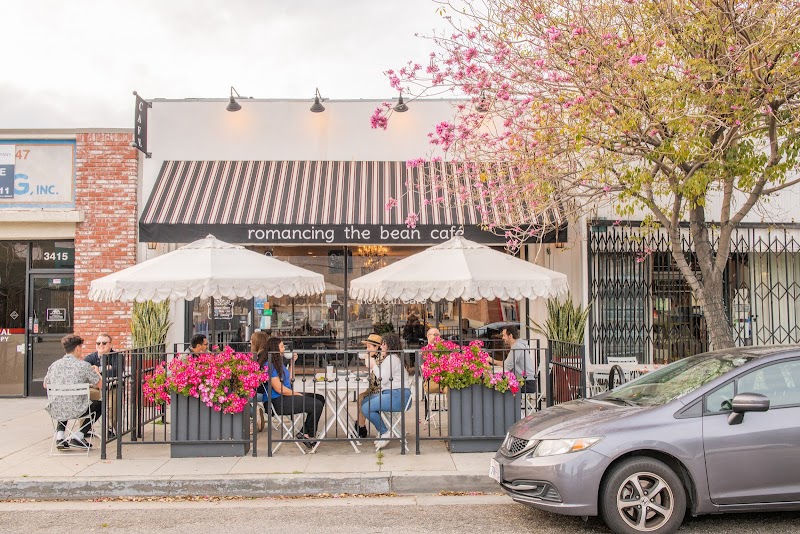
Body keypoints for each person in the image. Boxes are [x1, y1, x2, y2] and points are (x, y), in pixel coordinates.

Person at [263, 336, 326, 449]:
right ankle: (308, 435)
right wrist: (296, 394)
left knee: (320, 398)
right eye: (282, 347)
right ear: (275, 349)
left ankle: (305, 432)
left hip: (285, 395)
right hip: (277, 401)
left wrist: (292, 363)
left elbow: (290, 380)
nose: (284, 349)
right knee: (316, 404)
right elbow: (279, 389)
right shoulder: (269, 365)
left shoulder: (278, 363)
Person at [44, 334, 102, 450]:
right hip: (77, 409)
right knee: (100, 404)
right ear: (77, 348)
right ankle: (79, 436)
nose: (81, 350)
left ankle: (60, 436)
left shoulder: (54, 365)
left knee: (63, 400)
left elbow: (45, 384)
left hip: (56, 408)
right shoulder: (84, 366)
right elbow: (100, 385)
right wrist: (96, 372)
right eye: (81, 347)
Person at [361, 332, 411, 451]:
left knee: (366, 408)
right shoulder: (393, 358)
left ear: (390, 345)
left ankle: (384, 432)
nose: (382, 346)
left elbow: (383, 380)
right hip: (398, 395)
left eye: (384, 344)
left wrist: (374, 366)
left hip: (398, 396)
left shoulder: (391, 358)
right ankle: (383, 429)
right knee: (365, 401)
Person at [83, 333, 119, 439]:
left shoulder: (117, 356)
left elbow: (117, 371)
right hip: (95, 388)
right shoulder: (90, 357)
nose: (101, 345)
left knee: (113, 401)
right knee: (84, 396)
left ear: (110, 344)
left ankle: (111, 428)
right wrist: (106, 369)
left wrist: (98, 370)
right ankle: (85, 428)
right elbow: (85, 373)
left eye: (104, 343)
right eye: (98, 343)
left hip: (112, 386)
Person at [353, 333, 383, 438]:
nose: (367, 349)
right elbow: (360, 355)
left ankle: (360, 427)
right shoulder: (374, 357)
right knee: (361, 397)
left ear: (377, 347)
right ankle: (360, 426)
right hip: (373, 389)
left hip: (380, 391)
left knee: (362, 398)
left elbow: (380, 379)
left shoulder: (381, 359)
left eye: (369, 346)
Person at [491, 325, 537, 393]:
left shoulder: (517, 346)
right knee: (501, 384)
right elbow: (507, 364)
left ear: (510, 336)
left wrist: (492, 360)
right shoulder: (518, 345)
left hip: (527, 382)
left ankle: (508, 403)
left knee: (499, 386)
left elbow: (507, 366)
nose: (502, 338)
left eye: (504, 335)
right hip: (526, 380)